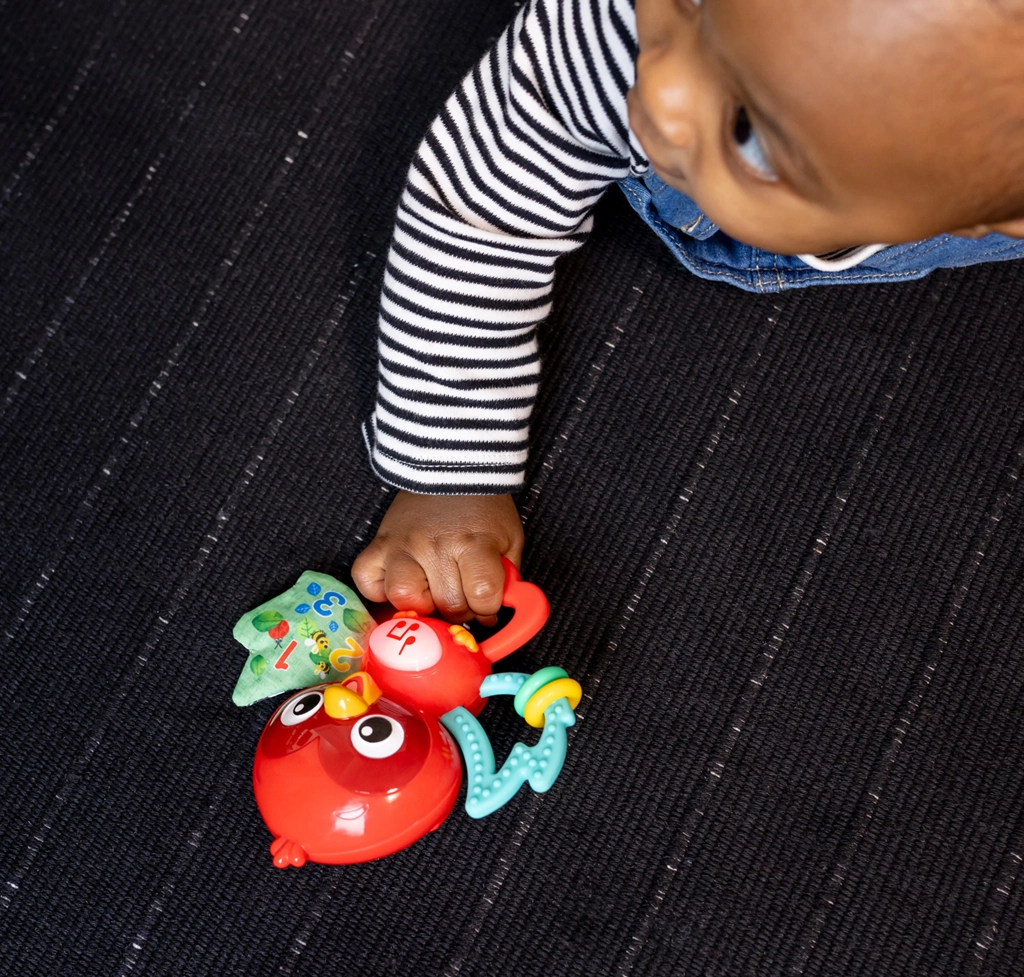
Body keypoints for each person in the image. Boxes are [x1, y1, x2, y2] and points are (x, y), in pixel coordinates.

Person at [352, 0, 1024, 625]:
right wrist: (451, 478)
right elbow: (475, 218)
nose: (665, 97)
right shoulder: (614, 29)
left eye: (749, 134)